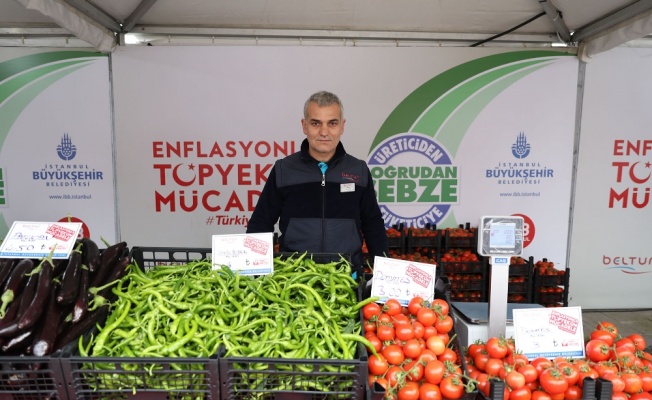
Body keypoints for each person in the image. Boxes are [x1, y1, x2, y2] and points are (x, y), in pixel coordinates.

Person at [246, 90, 389, 268]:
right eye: (316, 123)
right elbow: (261, 222)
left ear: (342, 126)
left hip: (347, 275)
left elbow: (373, 224)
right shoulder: (284, 169)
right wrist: (252, 270)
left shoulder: (358, 170)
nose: (324, 132)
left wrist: (385, 271)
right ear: (304, 125)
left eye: (332, 123)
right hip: (294, 276)